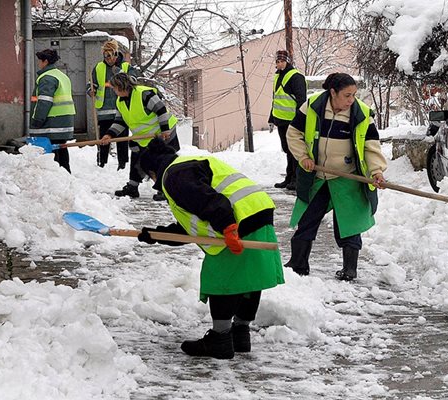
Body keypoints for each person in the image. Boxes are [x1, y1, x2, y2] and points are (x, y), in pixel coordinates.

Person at [136, 139, 284, 360]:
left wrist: (228, 227)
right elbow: (192, 228)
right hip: (256, 209)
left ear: (152, 170)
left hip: (235, 219)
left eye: (149, 176)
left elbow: (210, 201)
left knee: (221, 279)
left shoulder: (174, 176)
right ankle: (240, 333)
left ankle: (220, 340)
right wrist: (156, 235)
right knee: (249, 275)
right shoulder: (186, 166)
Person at [285, 73, 387, 281]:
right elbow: (293, 133)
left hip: (347, 177)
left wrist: (376, 170)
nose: (351, 100)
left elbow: (371, 146)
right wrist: (303, 157)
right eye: (347, 95)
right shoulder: (312, 106)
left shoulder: (361, 114)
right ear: (333, 92)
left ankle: (350, 269)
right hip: (318, 176)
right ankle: (298, 264)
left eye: (354, 95)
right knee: (307, 219)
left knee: (348, 223)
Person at [100, 72, 179, 200]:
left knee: (161, 162)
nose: (113, 90)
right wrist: (109, 135)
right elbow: (120, 122)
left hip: (163, 134)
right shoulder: (120, 102)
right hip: (144, 137)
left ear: (121, 86)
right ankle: (132, 187)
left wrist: (165, 130)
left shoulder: (144, 94)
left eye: (114, 88)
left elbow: (161, 110)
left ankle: (166, 189)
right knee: (137, 158)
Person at [88, 39, 138, 170]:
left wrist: (120, 73)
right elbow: (92, 83)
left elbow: (133, 81)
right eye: (106, 56)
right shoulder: (99, 67)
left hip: (121, 109)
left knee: (122, 138)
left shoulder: (126, 67)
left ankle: (122, 164)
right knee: (104, 138)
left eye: (111, 55)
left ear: (116, 54)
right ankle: (101, 162)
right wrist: (91, 89)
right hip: (104, 110)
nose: (109, 59)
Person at [29, 49, 75, 173]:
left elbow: (44, 102)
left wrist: (37, 120)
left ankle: (58, 177)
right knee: (61, 149)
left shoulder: (47, 78)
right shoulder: (62, 76)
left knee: (52, 153)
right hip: (64, 121)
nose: (39, 63)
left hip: (52, 122)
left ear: (46, 61)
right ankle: (66, 175)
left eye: (40, 61)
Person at [268, 50, 307, 191]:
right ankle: (289, 178)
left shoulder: (296, 77)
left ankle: (297, 179)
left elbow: (301, 100)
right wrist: (271, 118)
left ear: (288, 61)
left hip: (293, 121)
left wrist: (299, 120)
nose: (279, 64)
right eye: (277, 61)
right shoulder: (277, 77)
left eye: (282, 61)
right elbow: (276, 99)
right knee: (287, 149)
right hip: (281, 120)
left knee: (294, 151)